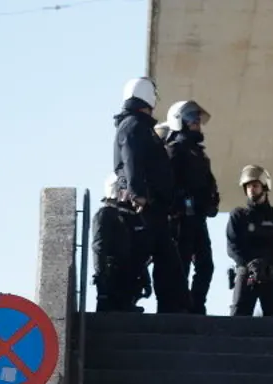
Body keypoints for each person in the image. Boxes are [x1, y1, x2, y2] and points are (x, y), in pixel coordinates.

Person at [112, 77, 188, 314]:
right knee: (141, 258)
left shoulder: (138, 126)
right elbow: (131, 161)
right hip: (144, 205)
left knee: (165, 261)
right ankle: (123, 306)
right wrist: (138, 194)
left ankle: (171, 310)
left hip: (154, 206)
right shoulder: (134, 125)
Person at [163, 99, 219, 314]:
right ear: (179, 121)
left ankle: (197, 305)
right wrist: (178, 204)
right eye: (191, 118)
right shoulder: (174, 150)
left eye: (197, 118)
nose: (197, 122)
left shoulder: (200, 154)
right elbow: (167, 184)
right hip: (181, 219)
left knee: (206, 265)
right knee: (182, 264)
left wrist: (212, 200)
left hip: (198, 217)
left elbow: (209, 183)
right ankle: (180, 307)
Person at [227, 165, 273, 316]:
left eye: (255, 185)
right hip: (246, 273)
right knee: (237, 318)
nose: (251, 189)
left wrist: (266, 263)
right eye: (248, 186)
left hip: (270, 272)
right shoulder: (238, 215)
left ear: (264, 187)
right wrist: (250, 265)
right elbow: (232, 247)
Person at [92, 173, 150, 313]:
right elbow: (99, 247)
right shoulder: (105, 214)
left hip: (128, 278)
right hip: (112, 276)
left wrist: (145, 279)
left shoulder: (130, 217)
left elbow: (137, 250)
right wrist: (101, 277)